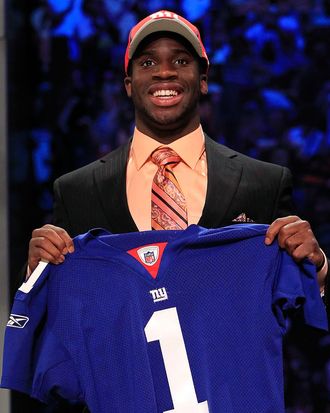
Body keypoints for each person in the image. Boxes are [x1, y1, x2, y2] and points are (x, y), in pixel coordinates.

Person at [27, 10, 329, 314]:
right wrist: (35, 272)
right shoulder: (76, 192)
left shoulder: (264, 184)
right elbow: (55, 317)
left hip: (230, 359)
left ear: (203, 80)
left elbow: (298, 314)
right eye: (148, 62)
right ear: (129, 84)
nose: (164, 72)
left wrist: (316, 267)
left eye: (181, 61)